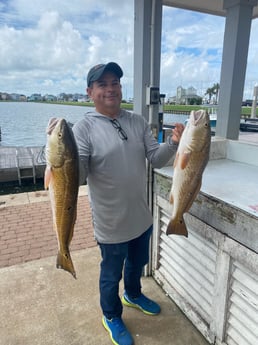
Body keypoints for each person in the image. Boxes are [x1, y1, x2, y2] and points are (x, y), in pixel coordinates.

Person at [72, 62, 184, 345]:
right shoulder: (83, 129)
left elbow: (155, 158)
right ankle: (111, 315)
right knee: (110, 275)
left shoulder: (137, 121)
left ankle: (133, 294)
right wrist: (60, 159)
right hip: (110, 223)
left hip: (141, 216)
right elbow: (79, 176)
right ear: (90, 92)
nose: (110, 89)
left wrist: (172, 143)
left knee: (137, 264)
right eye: (102, 84)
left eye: (115, 83)